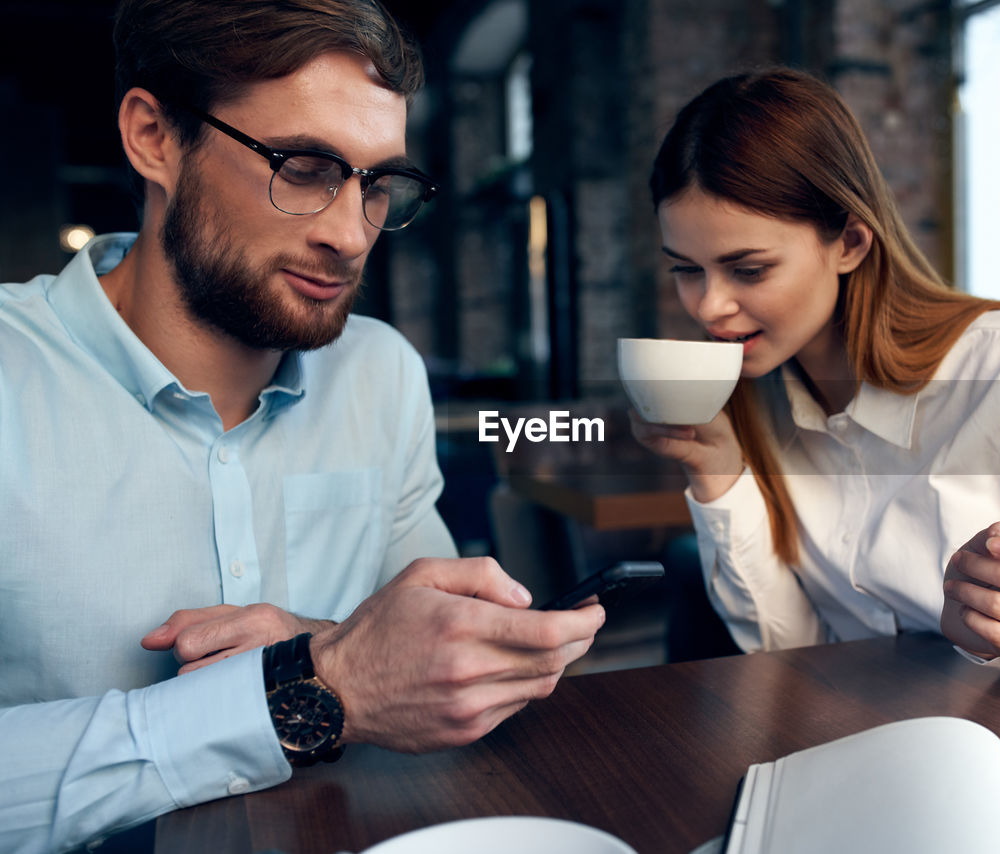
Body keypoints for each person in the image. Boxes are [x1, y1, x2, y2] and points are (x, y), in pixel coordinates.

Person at [0, 2, 603, 851]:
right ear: (154, 138)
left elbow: (427, 657)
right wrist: (299, 695)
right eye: (306, 167)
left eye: (377, 183)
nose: (351, 235)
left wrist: (323, 650)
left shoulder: (380, 372)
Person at [632, 68, 1000, 708]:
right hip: (861, 743)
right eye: (687, 271)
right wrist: (718, 473)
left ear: (851, 243)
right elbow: (792, 646)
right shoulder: (755, 393)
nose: (711, 307)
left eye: (748, 269)